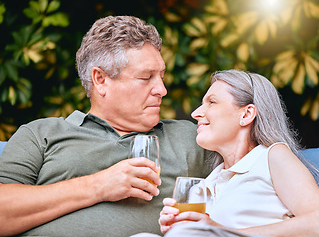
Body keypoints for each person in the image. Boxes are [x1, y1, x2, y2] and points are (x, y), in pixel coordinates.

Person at [0, 16, 212, 237]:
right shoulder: (40, 134)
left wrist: (216, 226)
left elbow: (247, 177)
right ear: (100, 79)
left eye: (161, 76)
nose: (162, 89)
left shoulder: (189, 137)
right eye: (146, 77)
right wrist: (99, 185)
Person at [158, 70, 319, 237]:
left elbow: (316, 222)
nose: (196, 113)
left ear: (247, 114)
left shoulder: (271, 156)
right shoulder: (201, 187)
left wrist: (221, 232)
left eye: (212, 102)